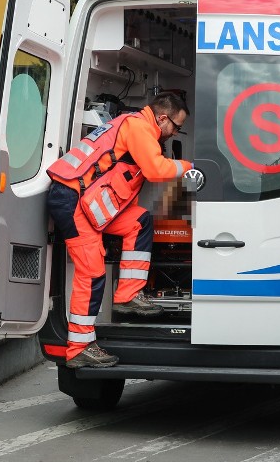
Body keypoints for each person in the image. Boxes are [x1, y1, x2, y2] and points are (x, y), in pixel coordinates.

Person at [46, 92, 192, 368]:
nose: (175, 133)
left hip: (86, 201)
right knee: (91, 273)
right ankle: (79, 348)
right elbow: (155, 169)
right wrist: (190, 167)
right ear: (162, 119)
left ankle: (127, 295)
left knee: (139, 221)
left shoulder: (135, 125)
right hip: (73, 200)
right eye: (176, 127)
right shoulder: (138, 127)